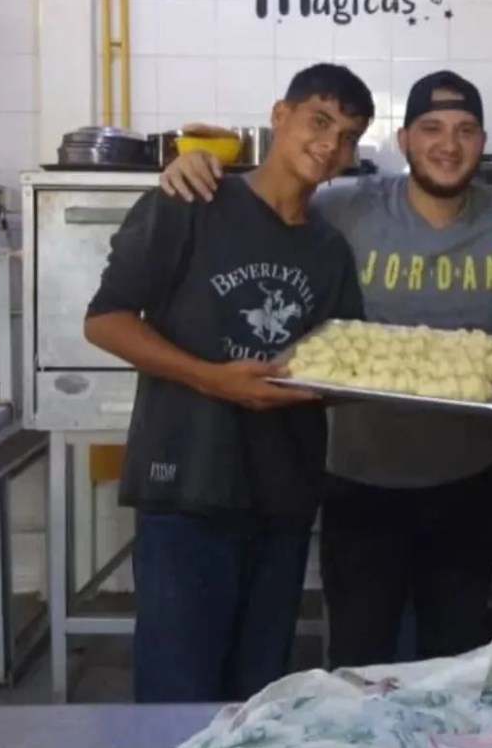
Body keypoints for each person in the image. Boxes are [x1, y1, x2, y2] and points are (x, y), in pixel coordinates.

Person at [161, 69, 492, 669]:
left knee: (456, 666)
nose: (449, 144)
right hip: (359, 484)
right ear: (404, 141)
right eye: (432, 128)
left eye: (466, 129)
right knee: (361, 668)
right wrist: (201, 173)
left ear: (485, 140)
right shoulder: (346, 208)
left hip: (465, 486)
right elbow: (275, 196)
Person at [84, 63, 374, 703]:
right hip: (188, 488)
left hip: (283, 499)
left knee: (257, 701)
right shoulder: (192, 200)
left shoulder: (328, 250)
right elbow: (104, 322)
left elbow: (342, 360)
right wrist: (212, 380)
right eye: (318, 121)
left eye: (348, 135)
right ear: (280, 115)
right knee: (176, 701)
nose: (330, 145)